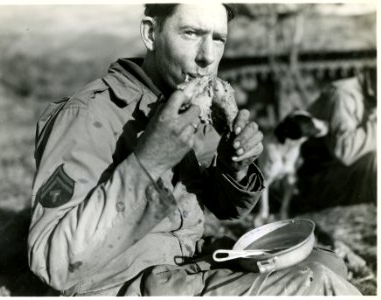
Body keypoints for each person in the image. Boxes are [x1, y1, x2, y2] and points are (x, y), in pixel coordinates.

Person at [28, 3, 361, 296]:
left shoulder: (184, 104)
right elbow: (52, 261)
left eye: (218, 39)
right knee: (321, 284)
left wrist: (235, 166)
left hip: (184, 266)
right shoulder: (89, 113)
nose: (208, 56)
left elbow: (223, 209)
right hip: (122, 284)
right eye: (191, 33)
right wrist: (148, 161)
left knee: (327, 263)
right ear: (150, 33)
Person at [292, 67, 377, 213]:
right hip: (318, 181)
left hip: (340, 175)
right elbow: (345, 152)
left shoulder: (370, 93)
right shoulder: (343, 94)